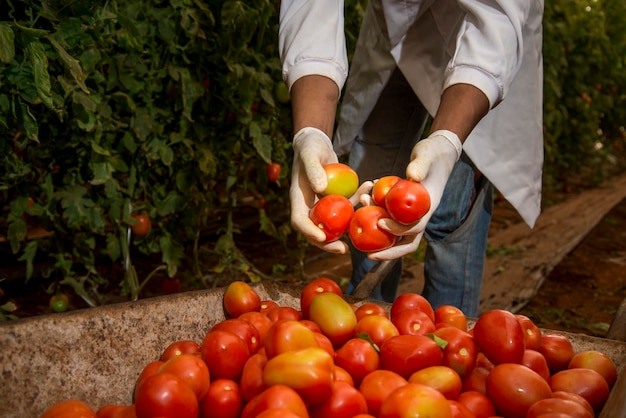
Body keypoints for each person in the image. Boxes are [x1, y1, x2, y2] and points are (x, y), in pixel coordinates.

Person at [278, 0, 544, 317]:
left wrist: (447, 140)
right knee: (368, 188)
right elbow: (312, 10)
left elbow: (497, 20)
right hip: (393, 37)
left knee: (450, 209)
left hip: (476, 44)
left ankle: (448, 332)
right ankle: (366, 323)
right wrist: (310, 132)